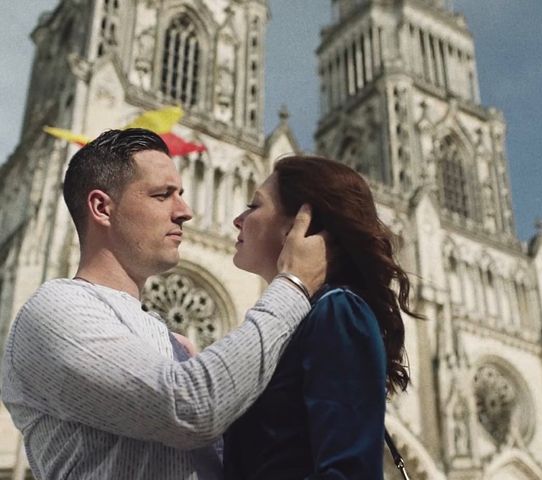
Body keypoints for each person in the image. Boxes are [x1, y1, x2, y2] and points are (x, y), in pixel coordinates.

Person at [0, 129, 327, 480]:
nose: (185, 211)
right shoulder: (55, 307)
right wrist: (293, 284)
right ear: (101, 208)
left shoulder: (168, 340)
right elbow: (191, 408)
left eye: (181, 195)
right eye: (162, 195)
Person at [224, 155, 420, 479]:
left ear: (301, 223)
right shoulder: (305, 317)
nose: (238, 218)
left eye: (253, 205)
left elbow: (348, 471)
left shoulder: (340, 311)